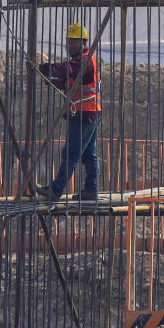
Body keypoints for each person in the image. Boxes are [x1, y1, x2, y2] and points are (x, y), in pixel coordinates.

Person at [36, 23, 101, 200]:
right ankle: (91, 190)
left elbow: (67, 70)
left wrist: (44, 68)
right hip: (88, 113)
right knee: (89, 154)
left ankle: (56, 190)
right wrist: (55, 82)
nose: (69, 45)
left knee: (71, 152)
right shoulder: (81, 62)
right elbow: (72, 81)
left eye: (73, 42)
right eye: (68, 41)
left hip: (84, 114)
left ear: (83, 42)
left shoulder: (85, 61)